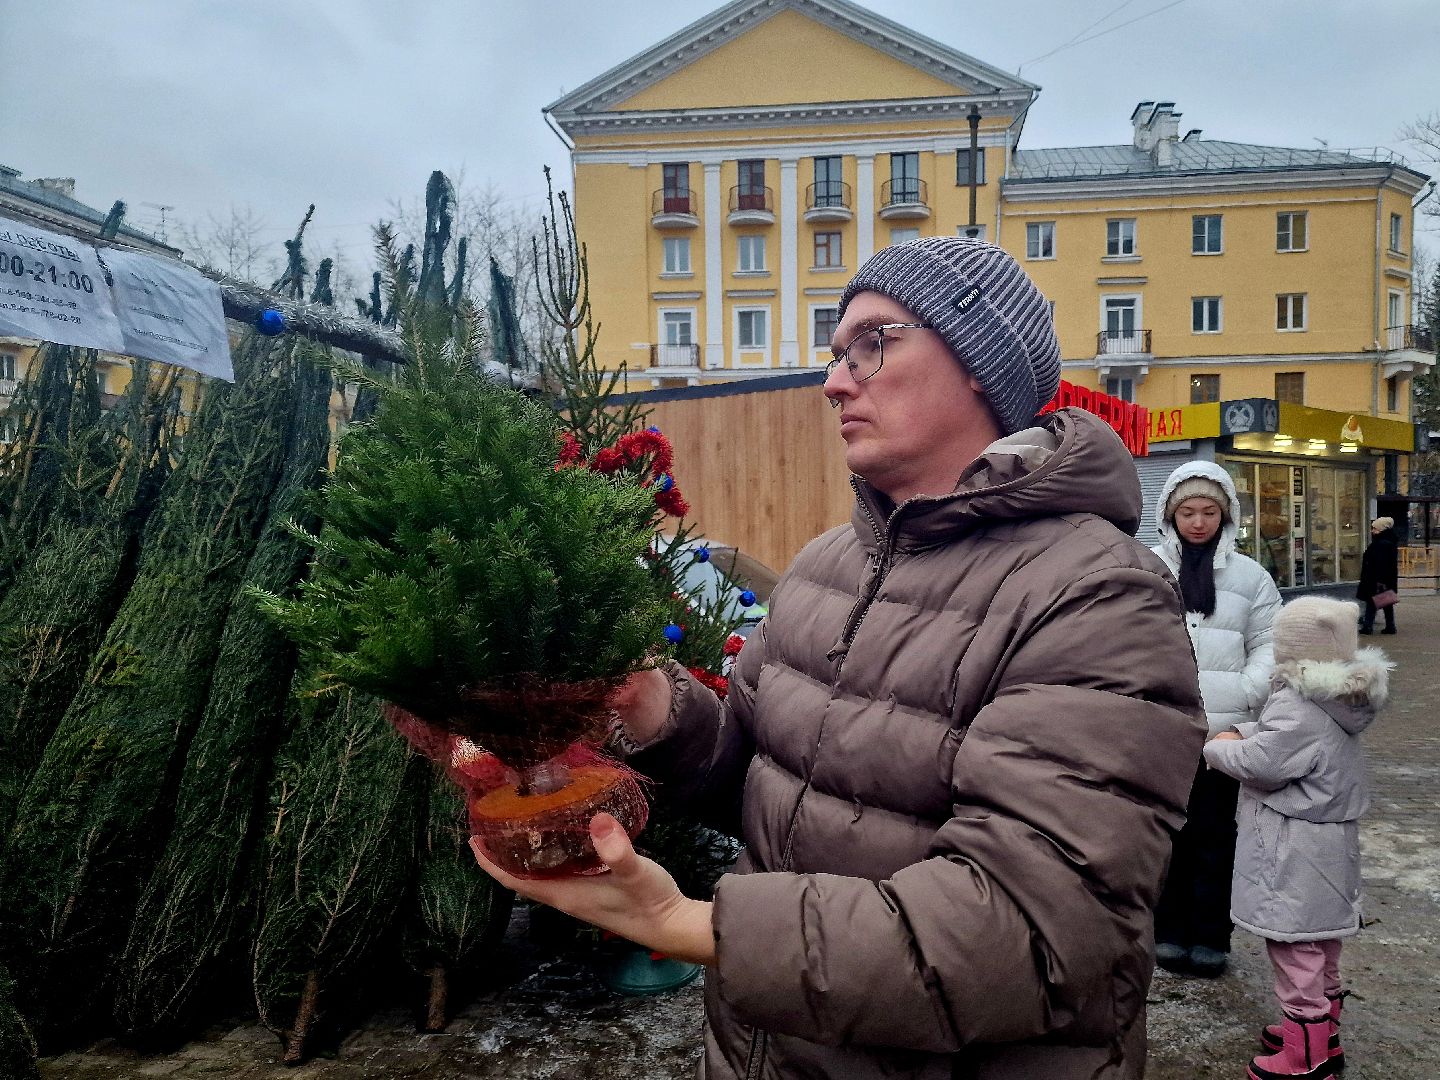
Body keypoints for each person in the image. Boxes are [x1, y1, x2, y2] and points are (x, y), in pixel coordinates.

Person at [473, 236, 1205, 1079]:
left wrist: (687, 924)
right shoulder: (829, 564)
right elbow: (763, 773)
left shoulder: (1096, 595)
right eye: (834, 353)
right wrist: (656, 707)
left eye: (874, 342)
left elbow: (1029, 934)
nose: (833, 380)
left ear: (978, 361)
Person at [1204, 597, 1388, 1079]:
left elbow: (1266, 763)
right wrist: (1247, 730)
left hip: (1293, 847)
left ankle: (1305, 1058)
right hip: (1331, 843)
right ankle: (1323, 1033)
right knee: (1321, 942)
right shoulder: (1340, 697)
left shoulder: (1298, 700)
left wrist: (1218, 750)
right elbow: (1288, 739)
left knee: (1293, 948)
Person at [1149, 464, 1282, 978]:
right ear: (1170, 514)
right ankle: (1167, 928)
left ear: (1225, 514)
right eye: (1188, 511)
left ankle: (1210, 935)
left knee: (1216, 837)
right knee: (1166, 834)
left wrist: (1246, 697)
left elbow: (1270, 644)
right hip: (1163, 731)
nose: (1198, 521)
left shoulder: (1251, 576)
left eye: (1208, 511)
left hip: (1225, 736)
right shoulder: (1149, 567)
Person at [1357, 516, 1398, 635]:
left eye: (1375, 529)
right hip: (1385, 579)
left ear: (1382, 529)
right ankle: (1390, 626)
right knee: (1387, 602)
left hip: (1376, 578)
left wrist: (1379, 580)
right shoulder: (1388, 541)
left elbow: (1380, 563)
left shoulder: (1381, 544)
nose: (1372, 531)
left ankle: (1367, 626)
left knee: (1372, 602)